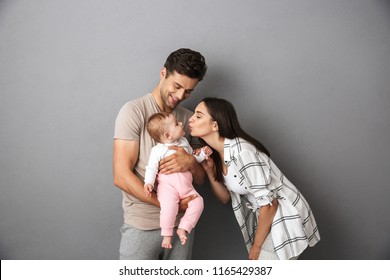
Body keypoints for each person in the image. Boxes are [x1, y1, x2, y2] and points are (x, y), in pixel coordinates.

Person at [188, 97, 320, 260]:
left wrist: (256, 248)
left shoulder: (242, 152)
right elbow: (224, 198)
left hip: (283, 215)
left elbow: (270, 204)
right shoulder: (219, 154)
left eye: (198, 116)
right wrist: (209, 172)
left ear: (215, 125)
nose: (191, 119)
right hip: (265, 217)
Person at [113, 48, 208, 260]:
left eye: (189, 91)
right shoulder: (134, 111)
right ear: (163, 73)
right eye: (177, 86)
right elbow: (121, 175)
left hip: (182, 226)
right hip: (142, 226)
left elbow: (201, 179)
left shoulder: (187, 120)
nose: (181, 96)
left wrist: (191, 162)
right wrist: (169, 205)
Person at [144, 112, 212, 249]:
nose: (181, 123)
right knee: (168, 207)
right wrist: (149, 182)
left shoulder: (184, 142)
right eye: (176, 123)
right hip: (168, 186)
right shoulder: (158, 150)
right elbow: (151, 167)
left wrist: (203, 154)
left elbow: (192, 160)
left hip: (186, 186)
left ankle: (184, 227)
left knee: (199, 202)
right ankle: (167, 234)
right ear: (167, 136)